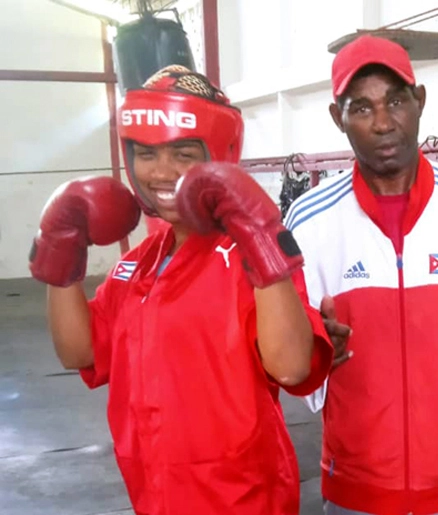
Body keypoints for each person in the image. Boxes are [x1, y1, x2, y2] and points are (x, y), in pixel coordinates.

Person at [28, 65, 334, 515]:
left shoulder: (245, 258)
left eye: (183, 153)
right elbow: (79, 353)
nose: (161, 171)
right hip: (152, 497)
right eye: (146, 154)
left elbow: (290, 368)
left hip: (242, 501)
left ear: (218, 156)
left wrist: (264, 240)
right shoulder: (136, 265)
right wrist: (61, 252)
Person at [283, 35, 438, 515]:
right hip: (358, 492)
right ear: (338, 119)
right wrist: (312, 350)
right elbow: (290, 354)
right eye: (361, 107)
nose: (382, 123)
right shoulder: (309, 221)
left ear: (419, 102)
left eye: (396, 101)